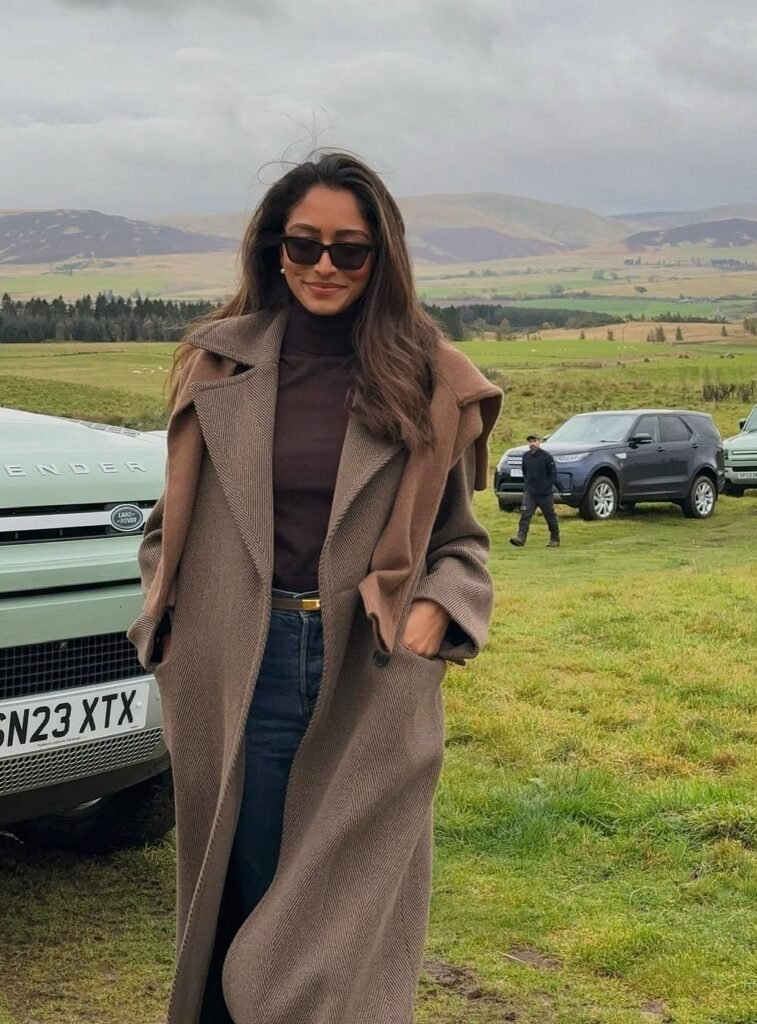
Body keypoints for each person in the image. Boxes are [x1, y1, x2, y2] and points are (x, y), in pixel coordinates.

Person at [128, 151, 502, 1024]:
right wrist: (168, 627)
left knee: (327, 933)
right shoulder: (215, 367)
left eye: (350, 250)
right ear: (272, 249)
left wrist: (431, 619)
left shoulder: (428, 380)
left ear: (383, 258)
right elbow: (165, 530)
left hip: (366, 678)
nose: (323, 267)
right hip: (235, 669)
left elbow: (460, 545)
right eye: (303, 245)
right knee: (248, 902)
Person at [509, 433, 560, 547]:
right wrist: (528, 486)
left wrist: (546, 487)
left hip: (545, 493)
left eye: (534, 441)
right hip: (531, 492)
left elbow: (553, 475)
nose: (532, 443)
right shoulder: (526, 456)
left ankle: (555, 538)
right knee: (525, 515)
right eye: (530, 441)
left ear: (539, 442)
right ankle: (520, 538)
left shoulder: (546, 456)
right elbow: (525, 471)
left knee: (550, 516)